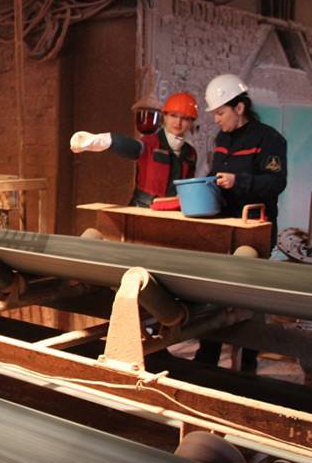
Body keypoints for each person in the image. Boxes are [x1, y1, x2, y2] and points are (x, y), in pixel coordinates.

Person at [194, 73, 287, 372]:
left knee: (250, 298)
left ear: (240, 108)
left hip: (255, 228)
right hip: (224, 228)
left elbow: (275, 183)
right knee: (215, 293)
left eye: (220, 113)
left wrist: (239, 181)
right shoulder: (222, 139)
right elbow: (215, 175)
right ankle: (207, 358)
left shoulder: (269, 139)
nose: (216, 120)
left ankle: (248, 363)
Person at [69, 92, 199, 207]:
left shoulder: (190, 153)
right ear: (164, 116)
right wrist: (104, 140)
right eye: (173, 115)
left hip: (173, 211)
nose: (178, 122)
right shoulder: (150, 143)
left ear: (191, 122)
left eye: (185, 118)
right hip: (144, 208)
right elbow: (131, 147)